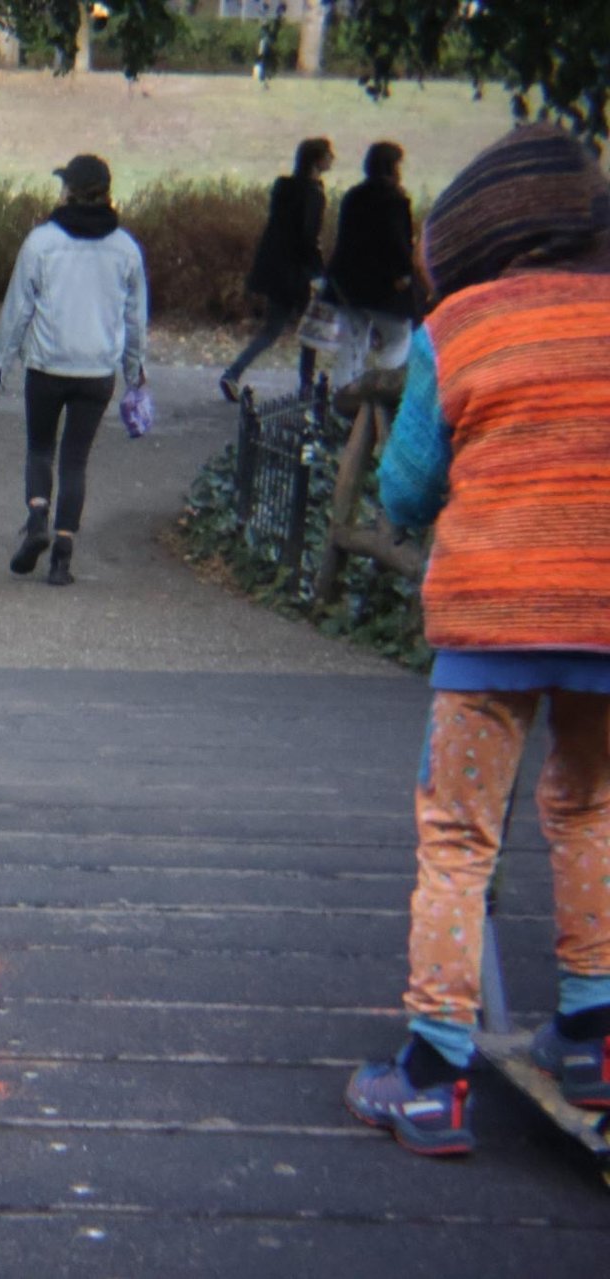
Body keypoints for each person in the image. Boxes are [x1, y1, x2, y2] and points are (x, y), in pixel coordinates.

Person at [344, 123, 610, 1157]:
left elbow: (405, 488)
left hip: (491, 618)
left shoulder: (460, 325)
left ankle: (432, 1072)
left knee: (459, 836)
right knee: (589, 808)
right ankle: (591, 1032)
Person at [0, 153, 147, 588]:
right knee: (75, 459)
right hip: (96, 372)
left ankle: (37, 514)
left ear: (69, 191)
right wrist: (135, 372)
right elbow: (134, 319)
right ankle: (63, 556)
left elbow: (18, 310)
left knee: (40, 448)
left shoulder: (42, 242)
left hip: (47, 365)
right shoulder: (126, 249)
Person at [220, 137, 332, 402]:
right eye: (328, 155)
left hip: (275, 270)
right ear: (318, 160)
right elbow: (308, 237)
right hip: (299, 272)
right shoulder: (313, 194)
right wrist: (318, 271)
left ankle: (233, 372)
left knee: (272, 329)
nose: (332, 160)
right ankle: (306, 387)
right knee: (310, 330)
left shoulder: (284, 188)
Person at [323, 140, 416, 390]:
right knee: (399, 336)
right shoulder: (394, 200)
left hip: (347, 282)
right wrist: (409, 271)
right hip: (383, 285)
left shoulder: (353, 196)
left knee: (352, 344)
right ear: (392, 167)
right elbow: (398, 244)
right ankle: (382, 390)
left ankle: (342, 402)